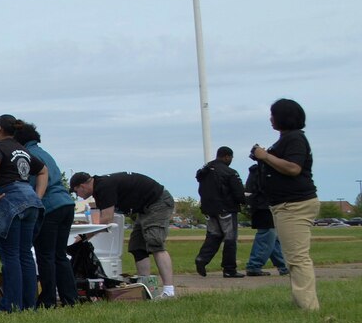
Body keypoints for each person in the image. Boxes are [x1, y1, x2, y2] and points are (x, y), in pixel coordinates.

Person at [251, 98, 319, 310]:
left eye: (273, 114)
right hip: (285, 204)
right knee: (293, 257)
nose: (271, 119)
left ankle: (308, 307)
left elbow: (293, 168)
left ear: (283, 117)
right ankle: (302, 302)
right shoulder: (286, 140)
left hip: (295, 204)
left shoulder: (295, 139)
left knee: (298, 258)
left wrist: (265, 156)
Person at [70, 170, 176, 298]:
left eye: (76, 192)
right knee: (137, 246)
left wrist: (84, 236)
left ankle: (169, 291)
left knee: (155, 243)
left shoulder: (103, 186)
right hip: (144, 209)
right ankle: (146, 288)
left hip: (157, 202)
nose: (78, 195)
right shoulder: (100, 188)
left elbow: (107, 219)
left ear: (82, 186)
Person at [0, 115, 45, 313]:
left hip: (9, 199)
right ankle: (29, 305)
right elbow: (42, 171)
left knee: (10, 256)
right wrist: (37, 196)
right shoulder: (23, 150)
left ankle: (11, 305)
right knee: (25, 254)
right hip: (30, 200)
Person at [15, 122, 78, 308]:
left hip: (49, 206)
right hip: (66, 203)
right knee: (60, 254)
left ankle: (48, 299)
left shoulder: (26, 155)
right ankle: (70, 297)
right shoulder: (44, 152)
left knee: (45, 255)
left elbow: (30, 183)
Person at [194, 146, 247, 278]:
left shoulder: (205, 171)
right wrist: (244, 201)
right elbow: (238, 193)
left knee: (214, 235)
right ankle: (229, 269)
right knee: (230, 239)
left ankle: (202, 258)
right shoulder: (230, 172)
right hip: (226, 209)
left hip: (208, 209)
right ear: (227, 157)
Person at [243, 162, 289, 277]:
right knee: (266, 236)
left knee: (272, 238)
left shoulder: (256, 171)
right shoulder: (267, 172)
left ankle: (283, 266)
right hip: (265, 207)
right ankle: (254, 265)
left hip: (259, 207)